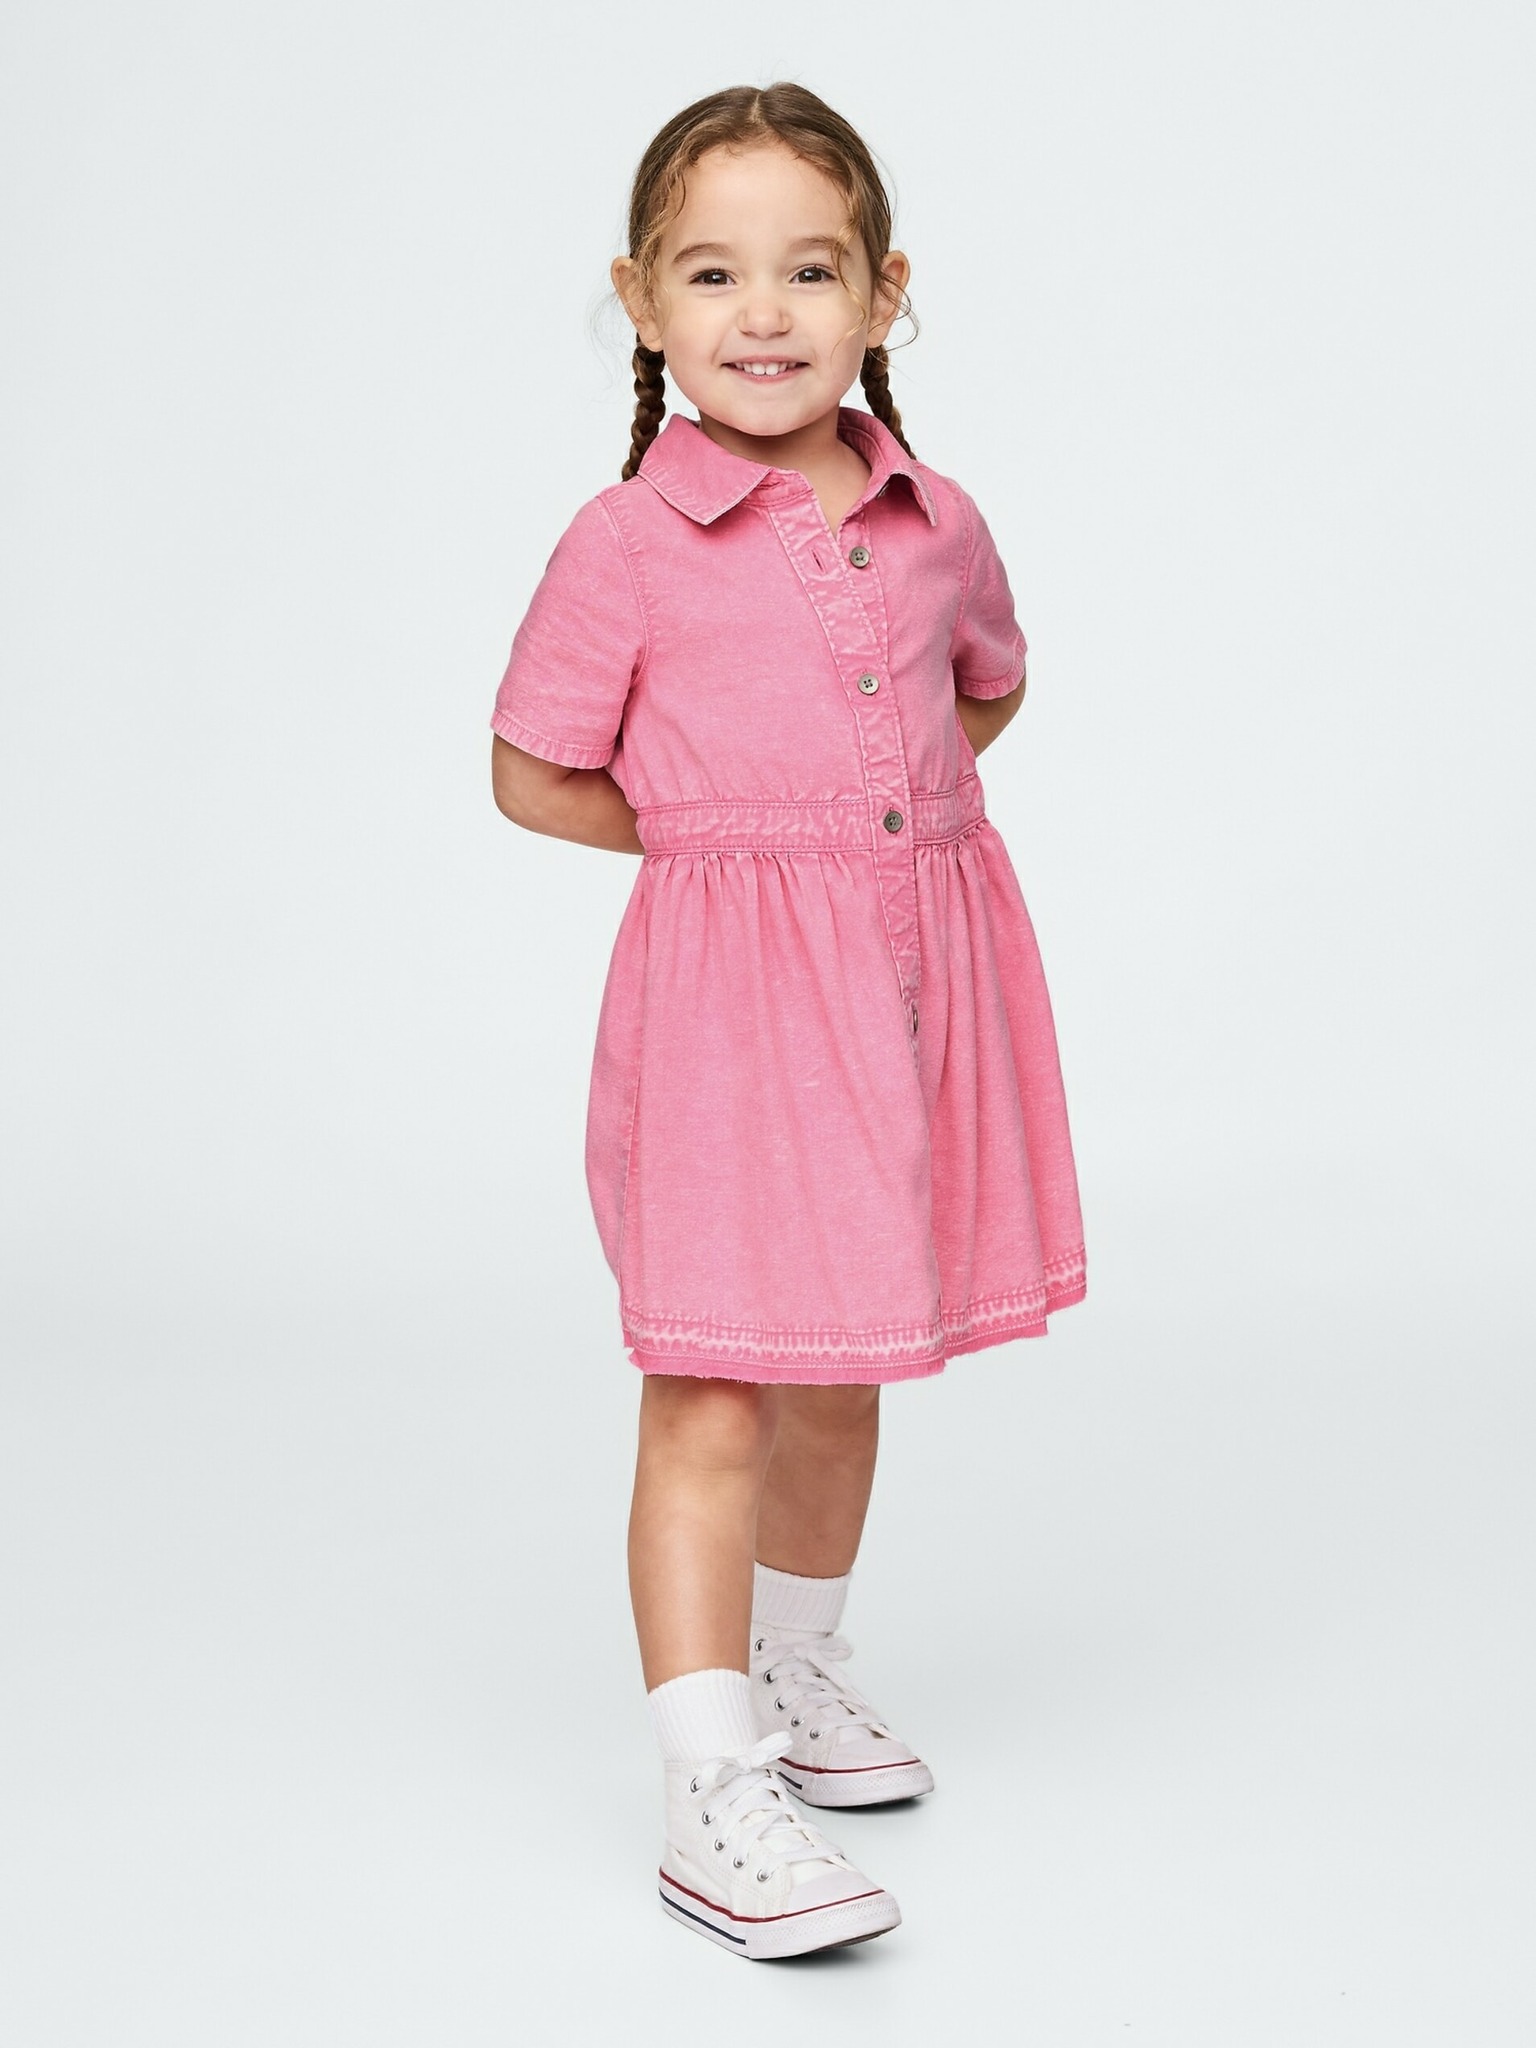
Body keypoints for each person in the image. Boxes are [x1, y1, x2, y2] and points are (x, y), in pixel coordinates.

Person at [488, 81, 1087, 1961]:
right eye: (713, 272)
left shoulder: (934, 518)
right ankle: (706, 1782)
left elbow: (985, 688)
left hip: (907, 991)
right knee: (715, 1376)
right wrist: (729, 842)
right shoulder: (627, 542)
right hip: (733, 1017)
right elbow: (529, 772)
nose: (765, 312)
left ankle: (802, 1666)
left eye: (812, 270)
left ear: (883, 294)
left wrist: (870, 828)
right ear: (641, 299)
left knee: (844, 1361)